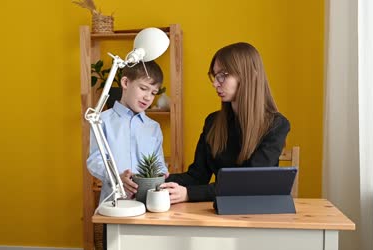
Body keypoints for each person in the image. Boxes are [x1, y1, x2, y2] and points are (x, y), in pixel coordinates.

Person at [122, 42, 290, 204]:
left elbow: (248, 183)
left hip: (258, 219)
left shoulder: (276, 125)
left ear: (249, 75)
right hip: (219, 214)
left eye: (223, 75)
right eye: (215, 76)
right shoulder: (213, 123)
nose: (215, 83)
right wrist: (144, 180)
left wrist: (189, 194)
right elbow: (197, 176)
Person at [87, 60, 168, 204]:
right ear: (125, 83)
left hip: (147, 205)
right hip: (113, 204)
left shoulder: (153, 127)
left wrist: (162, 174)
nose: (148, 97)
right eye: (143, 88)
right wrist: (118, 178)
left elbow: (158, 162)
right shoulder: (101, 120)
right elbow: (95, 160)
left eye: (153, 92)